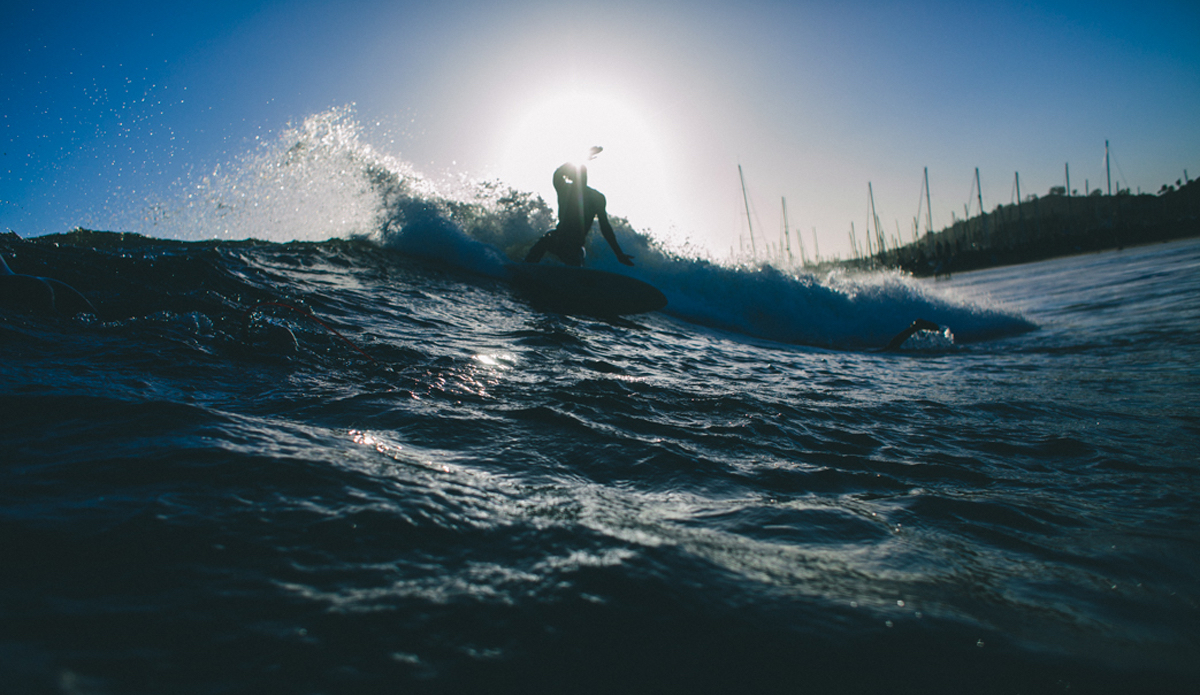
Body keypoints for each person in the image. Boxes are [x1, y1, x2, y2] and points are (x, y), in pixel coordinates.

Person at [523, 152, 635, 267]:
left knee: (578, 255)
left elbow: (605, 227)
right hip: (558, 240)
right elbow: (558, 173)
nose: (582, 178)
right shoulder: (564, 189)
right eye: (579, 175)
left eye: (584, 175)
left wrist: (619, 253)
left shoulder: (597, 198)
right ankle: (525, 268)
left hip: (575, 247)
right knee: (546, 239)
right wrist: (582, 156)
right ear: (571, 177)